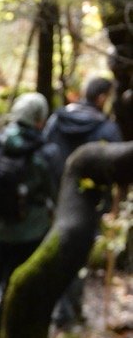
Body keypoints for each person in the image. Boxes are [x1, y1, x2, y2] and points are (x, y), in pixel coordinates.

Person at [0, 92, 58, 338]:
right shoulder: (45, 151)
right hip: (32, 232)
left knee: (6, 283)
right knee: (15, 289)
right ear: (39, 119)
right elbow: (55, 192)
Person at [43, 75, 122, 325]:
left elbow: (44, 151)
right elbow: (118, 168)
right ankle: (67, 313)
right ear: (101, 98)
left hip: (54, 196)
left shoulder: (57, 120)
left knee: (57, 250)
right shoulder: (106, 129)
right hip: (88, 203)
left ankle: (65, 309)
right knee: (76, 255)